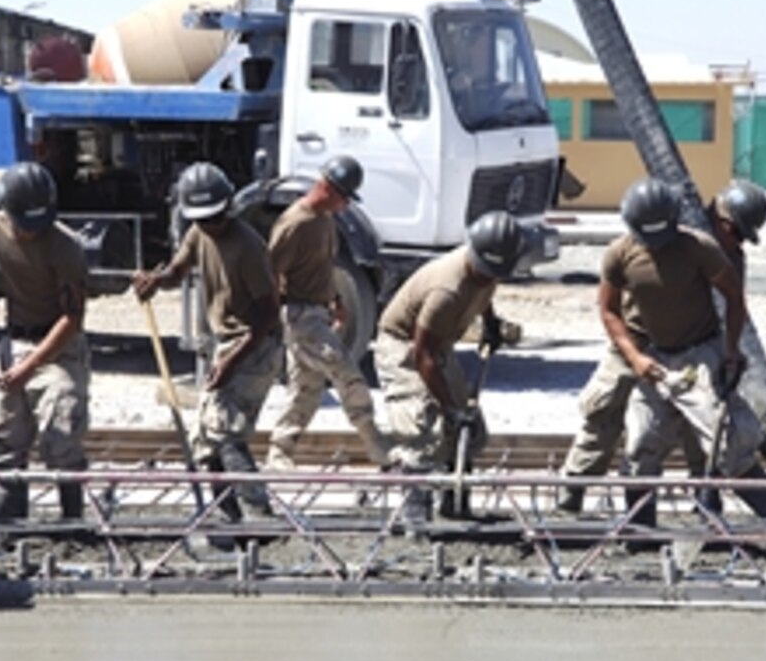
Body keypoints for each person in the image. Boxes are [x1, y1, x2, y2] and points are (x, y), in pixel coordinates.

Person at [568, 178, 766, 528]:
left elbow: (735, 299)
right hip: (644, 348)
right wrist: (635, 358)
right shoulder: (620, 253)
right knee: (635, 437)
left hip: (696, 350)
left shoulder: (701, 248)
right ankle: (627, 526)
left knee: (727, 440)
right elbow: (609, 310)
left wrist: (729, 352)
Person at [133, 162, 282, 523]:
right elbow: (178, 270)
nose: (211, 225)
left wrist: (232, 361)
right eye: (203, 219)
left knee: (224, 430)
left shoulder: (248, 247)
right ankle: (225, 515)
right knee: (205, 438)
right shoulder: (199, 233)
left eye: (216, 217)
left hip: (255, 344)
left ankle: (259, 514)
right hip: (227, 343)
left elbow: (268, 314)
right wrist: (156, 280)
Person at [0, 162, 91, 522]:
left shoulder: (65, 246)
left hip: (59, 348)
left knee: (62, 430)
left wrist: (30, 367)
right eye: (24, 225)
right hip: (17, 340)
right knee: (6, 436)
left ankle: (72, 519)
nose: (30, 233)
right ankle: (7, 520)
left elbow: (72, 318)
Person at [375, 211, 521, 522]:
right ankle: (415, 516)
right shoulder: (446, 290)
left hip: (437, 345)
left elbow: (483, 291)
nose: (491, 276)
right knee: (423, 428)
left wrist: (491, 323)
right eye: (488, 270)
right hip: (403, 346)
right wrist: (448, 407)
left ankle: (456, 505)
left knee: (469, 427)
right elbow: (422, 355)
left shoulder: (487, 270)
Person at [264, 156, 389, 470]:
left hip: (317, 312)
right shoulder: (295, 222)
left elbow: (324, 266)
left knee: (306, 390)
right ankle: (377, 445)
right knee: (348, 375)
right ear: (326, 188)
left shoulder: (325, 219)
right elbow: (269, 271)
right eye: (344, 196)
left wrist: (336, 300)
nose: (346, 205)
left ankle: (280, 452)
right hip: (300, 316)